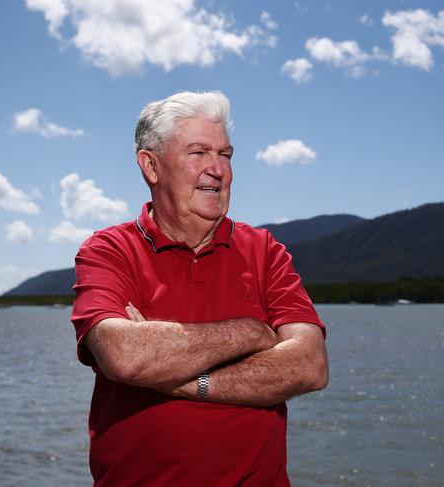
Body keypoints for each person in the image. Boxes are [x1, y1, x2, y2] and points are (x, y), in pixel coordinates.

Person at [71, 91, 328, 486]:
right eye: (198, 153)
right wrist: (251, 333)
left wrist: (174, 377)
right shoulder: (109, 251)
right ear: (151, 166)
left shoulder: (265, 251)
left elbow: (309, 366)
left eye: (225, 155)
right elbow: (123, 356)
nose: (217, 169)